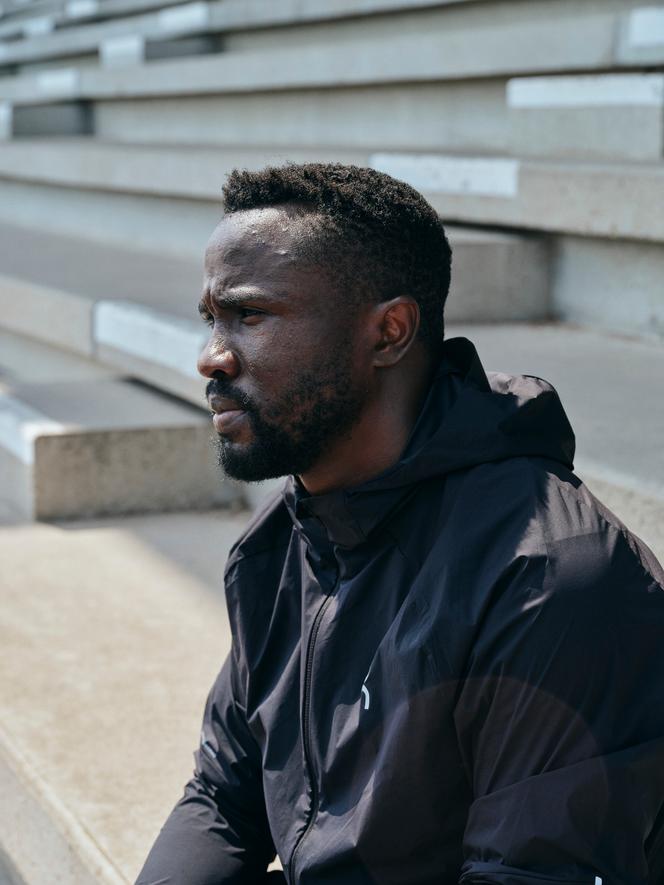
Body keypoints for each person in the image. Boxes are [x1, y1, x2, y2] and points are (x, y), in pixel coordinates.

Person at [136, 163, 664, 885]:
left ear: (388, 331)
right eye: (211, 318)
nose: (211, 354)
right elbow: (226, 796)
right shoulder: (282, 544)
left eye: (250, 315)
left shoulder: (548, 580)